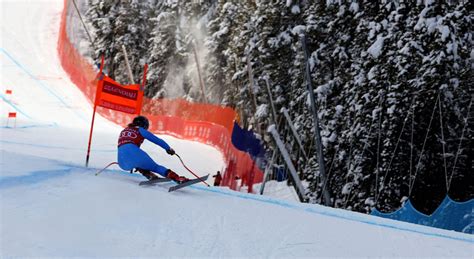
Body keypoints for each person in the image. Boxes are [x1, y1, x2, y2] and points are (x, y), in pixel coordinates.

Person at [117, 115, 189, 183]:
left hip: (122, 162)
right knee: (155, 167)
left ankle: (149, 175)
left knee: (139, 164)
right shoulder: (140, 130)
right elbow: (156, 140)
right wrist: (168, 148)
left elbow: (124, 147)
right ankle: (177, 178)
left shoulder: (124, 131)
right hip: (134, 154)